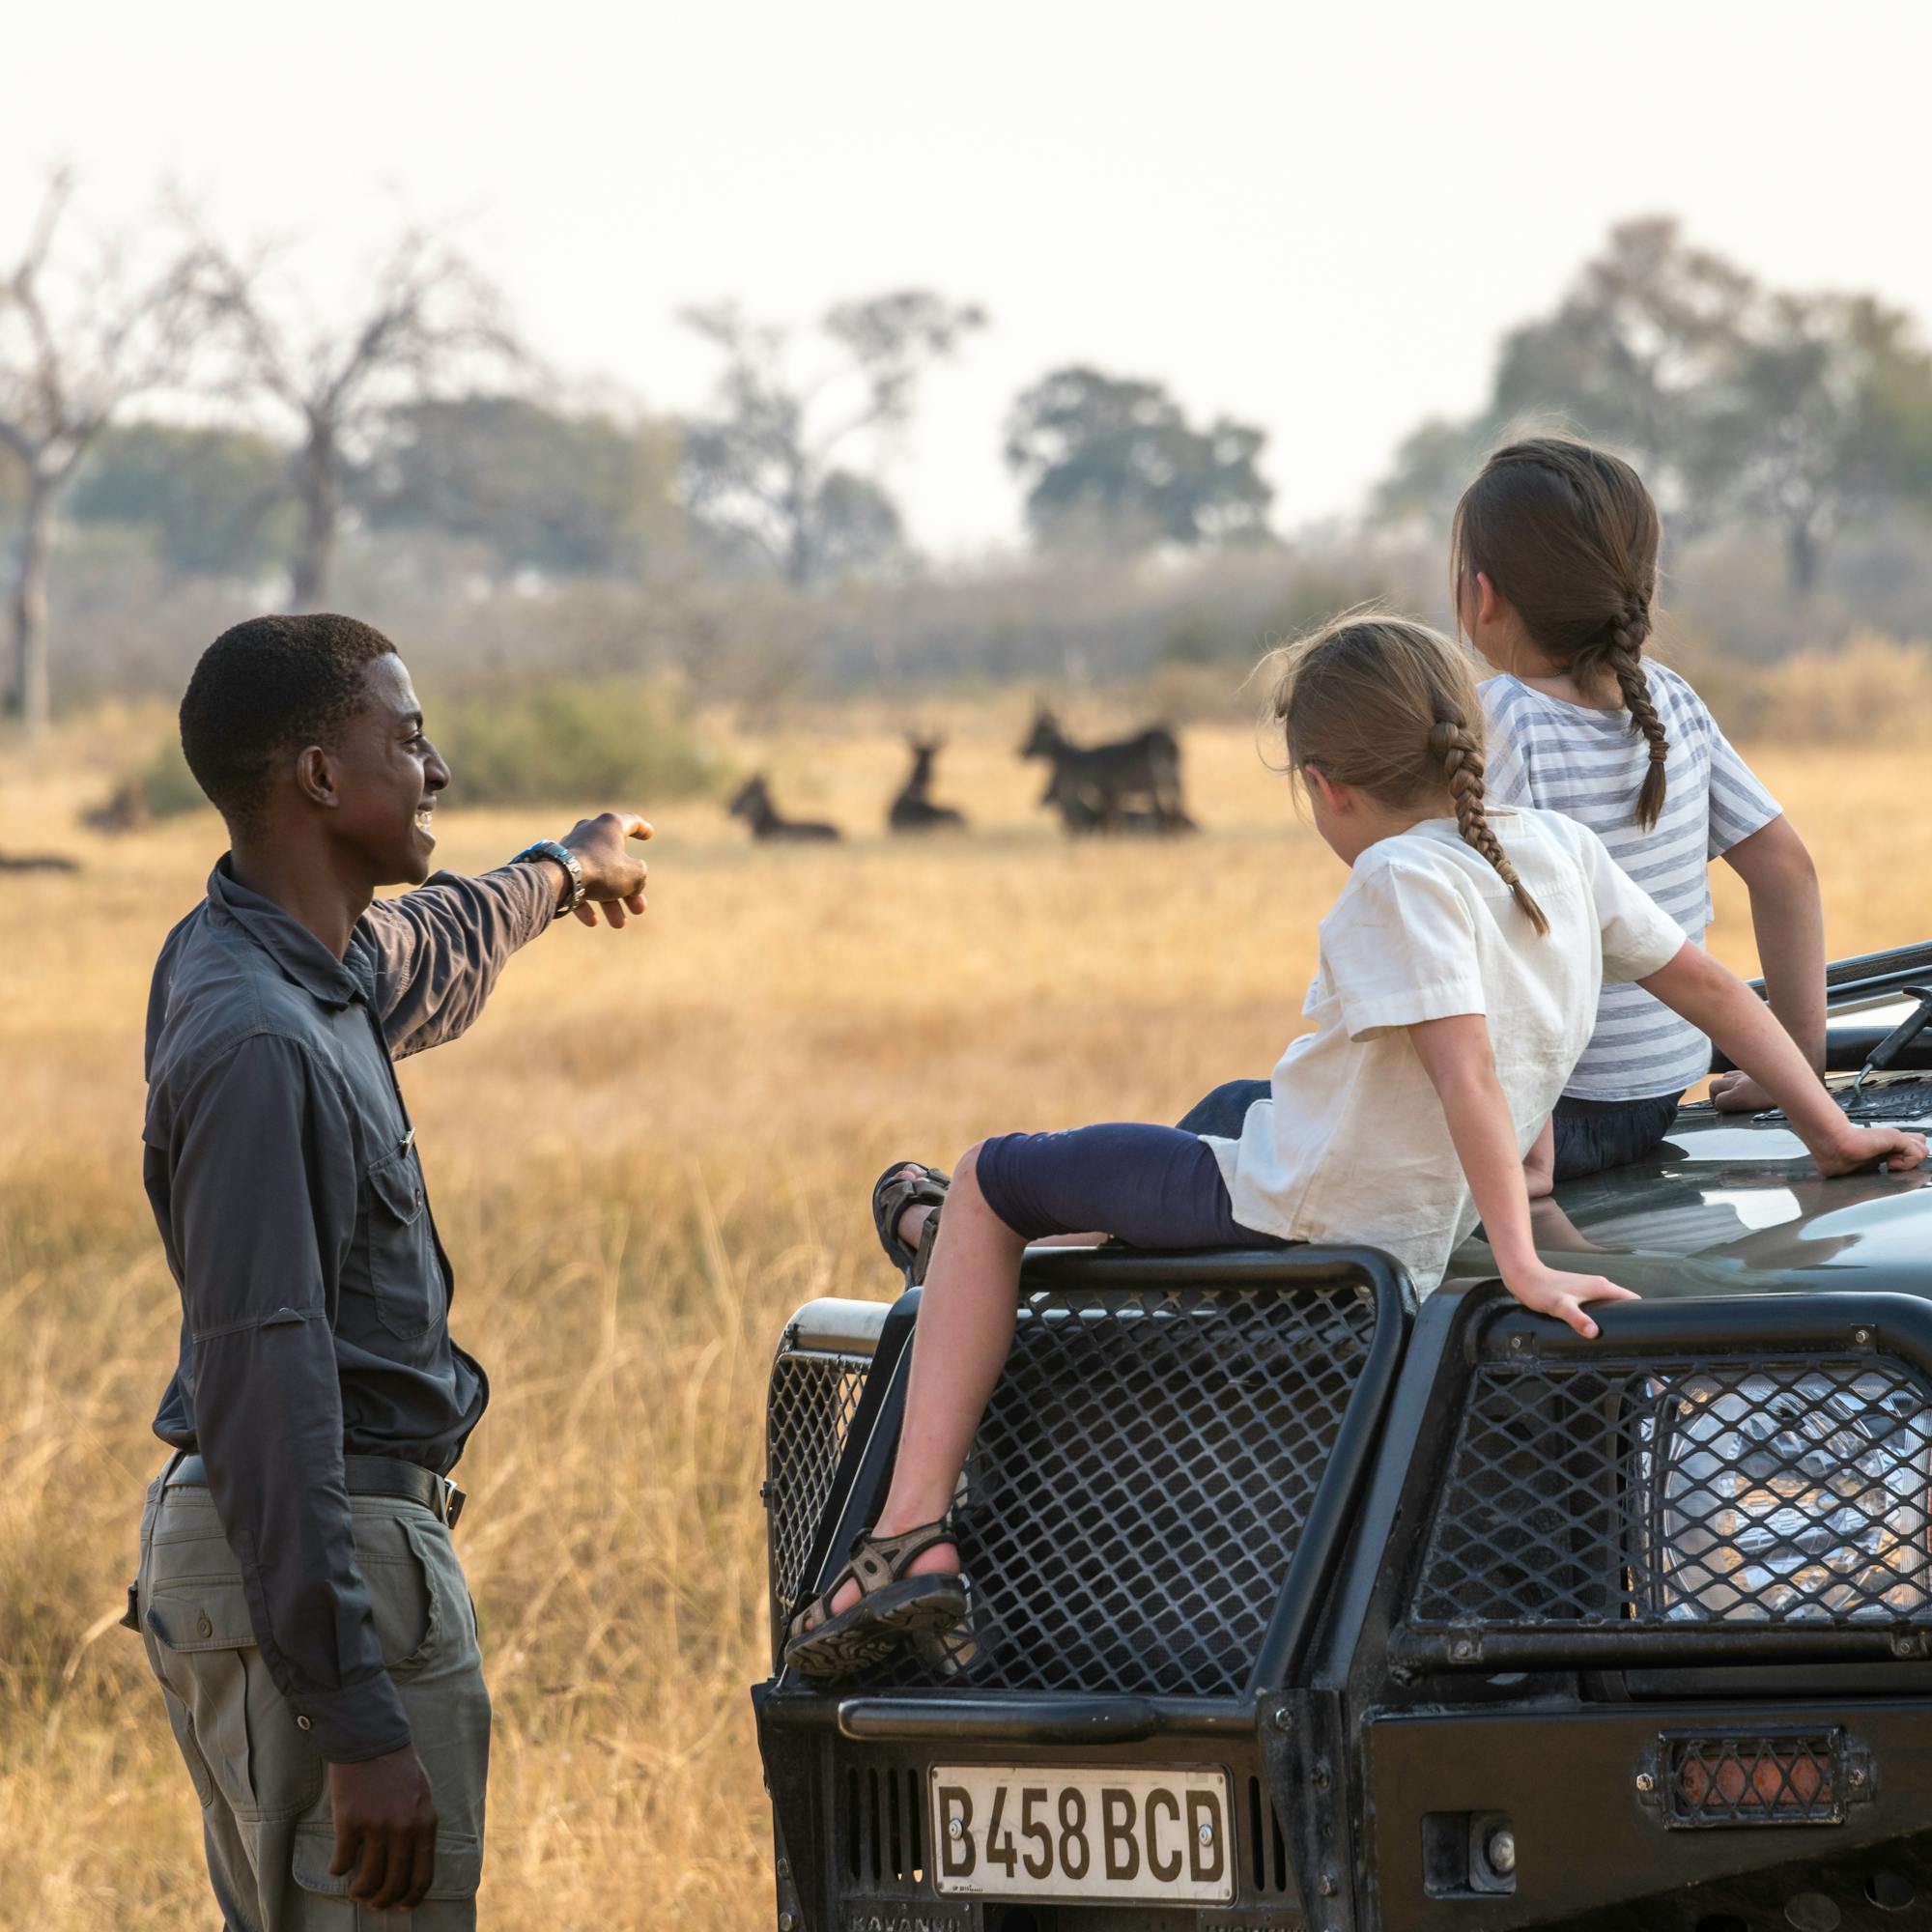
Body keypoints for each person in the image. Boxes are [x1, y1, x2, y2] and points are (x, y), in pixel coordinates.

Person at [782, 615, 1923, 1683]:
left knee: (994, 1173)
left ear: (1325, 788)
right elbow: (1713, 986)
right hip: (1384, 1182)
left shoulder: (1392, 879)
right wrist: (1826, 1128)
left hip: (1302, 1201)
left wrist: (1520, 1257)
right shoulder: (1557, 853)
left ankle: (907, 1531)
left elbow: (1463, 1066)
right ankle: (968, 1261)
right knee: (1235, 1098)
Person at [129, 613, 652, 1927]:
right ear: (318, 776)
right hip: (327, 1548)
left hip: (305, 1559)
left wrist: (561, 869)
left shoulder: (293, 966)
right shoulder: (259, 1042)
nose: (438, 774)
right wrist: (356, 1717)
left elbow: (438, 943)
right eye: (407, 741)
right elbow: (266, 1381)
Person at [1457, 435, 1823, 1187]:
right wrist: (1798, 1067)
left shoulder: (1501, 723)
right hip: (1655, 1099)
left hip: (1551, 1124)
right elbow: (1786, 869)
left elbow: (1471, 944)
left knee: (1238, 1118)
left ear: (1483, 596)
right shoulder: (1670, 699)